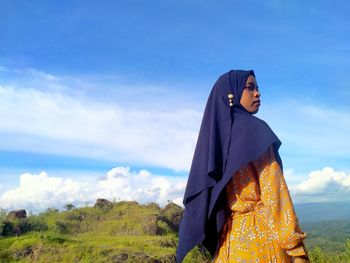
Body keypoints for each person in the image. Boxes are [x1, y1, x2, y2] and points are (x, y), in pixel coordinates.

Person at [176, 70, 309, 263]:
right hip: (262, 243)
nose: (257, 93)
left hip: (229, 246)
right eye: (250, 87)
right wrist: (297, 250)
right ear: (232, 93)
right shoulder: (256, 132)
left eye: (257, 88)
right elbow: (275, 196)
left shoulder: (217, 143)